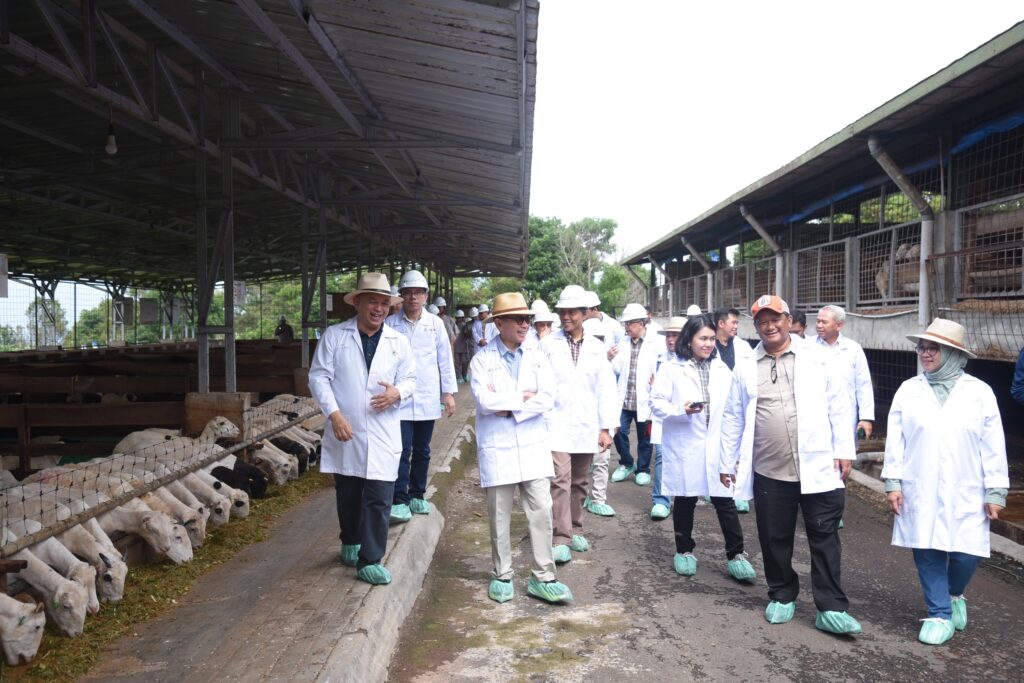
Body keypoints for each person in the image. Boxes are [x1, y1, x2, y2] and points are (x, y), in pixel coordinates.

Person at [720, 294, 862, 635]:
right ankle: (782, 594)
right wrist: (727, 462)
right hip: (770, 468)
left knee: (824, 536)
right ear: (756, 327)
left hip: (819, 465)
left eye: (775, 319)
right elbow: (733, 416)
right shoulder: (746, 365)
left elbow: (840, 403)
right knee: (774, 537)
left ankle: (831, 607)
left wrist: (844, 449)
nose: (769, 326)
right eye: (762, 322)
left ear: (788, 320)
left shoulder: (816, 356)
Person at [882, 318, 1009, 646]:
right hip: (918, 484)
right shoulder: (909, 390)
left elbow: (993, 444)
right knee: (926, 548)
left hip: (967, 486)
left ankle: (954, 594)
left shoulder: (979, 393)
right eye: (922, 347)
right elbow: (895, 440)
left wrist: (996, 490)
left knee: (967, 551)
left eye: (933, 348)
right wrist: (893, 481)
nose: (925, 353)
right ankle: (939, 613)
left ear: (954, 354)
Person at [308, 273, 414, 585]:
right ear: (357, 303)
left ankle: (371, 559)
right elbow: (318, 377)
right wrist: (334, 415)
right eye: (372, 302)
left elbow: (411, 379)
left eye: (384, 303)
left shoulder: (398, 341)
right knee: (349, 492)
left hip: (383, 429)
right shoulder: (335, 336)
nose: (379, 309)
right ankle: (351, 540)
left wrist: (397, 393)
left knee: (380, 495)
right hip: (347, 428)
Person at [470, 292, 573, 604]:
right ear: (499, 323)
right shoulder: (482, 360)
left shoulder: (537, 356)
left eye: (527, 319)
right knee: (499, 515)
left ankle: (544, 576)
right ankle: (502, 574)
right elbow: (484, 402)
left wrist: (508, 406)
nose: (525, 324)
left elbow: (548, 398)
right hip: (498, 447)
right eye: (518, 319)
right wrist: (523, 398)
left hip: (532, 445)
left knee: (541, 510)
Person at [651, 314, 756, 580]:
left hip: (717, 444)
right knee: (685, 498)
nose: (708, 344)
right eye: (703, 339)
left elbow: (733, 407)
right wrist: (681, 409)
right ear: (690, 339)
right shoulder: (672, 368)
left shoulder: (723, 369)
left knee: (724, 500)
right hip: (686, 443)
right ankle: (684, 550)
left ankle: (736, 554)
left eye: (711, 339)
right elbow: (656, 403)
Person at [540, 285, 619, 563]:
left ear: (585, 314)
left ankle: (575, 527)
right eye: (562, 312)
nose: (566, 317)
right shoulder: (547, 344)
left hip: (586, 423)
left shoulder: (597, 348)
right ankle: (560, 536)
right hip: (555, 422)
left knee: (580, 480)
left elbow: (606, 389)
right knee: (559, 479)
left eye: (572, 312)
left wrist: (606, 428)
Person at [385, 271, 458, 523]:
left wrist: (448, 393)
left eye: (418, 292)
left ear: (426, 296)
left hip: (427, 395)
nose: (413, 297)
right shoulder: (390, 323)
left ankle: (417, 494)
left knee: (422, 450)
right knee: (401, 449)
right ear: (401, 296)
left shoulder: (435, 324)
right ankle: (399, 499)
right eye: (408, 292)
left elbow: (445, 360)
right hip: (400, 398)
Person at [611, 303, 660, 485]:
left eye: (629, 323)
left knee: (644, 437)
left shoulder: (655, 343)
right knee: (618, 431)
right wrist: (609, 358)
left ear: (641, 323)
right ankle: (626, 463)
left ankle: (643, 469)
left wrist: (658, 382)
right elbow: (616, 369)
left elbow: (661, 367)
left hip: (644, 399)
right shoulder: (622, 344)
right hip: (624, 399)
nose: (626, 327)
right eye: (625, 323)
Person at [815, 305, 875, 440]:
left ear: (839, 325)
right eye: (818, 321)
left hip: (845, 416)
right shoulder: (807, 347)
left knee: (844, 450)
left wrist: (866, 418)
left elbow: (864, 385)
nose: (819, 325)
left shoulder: (853, 349)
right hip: (815, 417)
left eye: (824, 322)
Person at [649, 315, 686, 520]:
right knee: (662, 457)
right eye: (668, 336)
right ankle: (661, 500)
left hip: (688, 419)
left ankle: (685, 498)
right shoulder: (659, 360)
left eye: (675, 336)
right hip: (664, 418)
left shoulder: (695, 360)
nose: (670, 340)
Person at [581, 317, 616, 517]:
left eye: (600, 339)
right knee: (582, 465)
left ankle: (598, 499)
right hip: (581, 423)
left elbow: (610, 397)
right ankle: (581, 496)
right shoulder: (576, 365)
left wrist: (610, 425)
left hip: (601, 423)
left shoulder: (606, 365)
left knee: (602, 461)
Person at [712, 307, 753, 372]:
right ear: (721, 323)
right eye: (733, 323)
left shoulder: (744, 347)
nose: (736, 327)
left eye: (737, 323)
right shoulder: (709, 347)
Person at [453, 310, 472, 383]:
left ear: (463, 317)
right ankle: (459, 376)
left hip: (464, 347)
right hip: (456, 347)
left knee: (465, 362)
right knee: (457, 363)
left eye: (461, 317)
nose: (459, 319)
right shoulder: (454, 325)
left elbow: (468, 334)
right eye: (458, 317)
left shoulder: (465, 325)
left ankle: (464, 375)